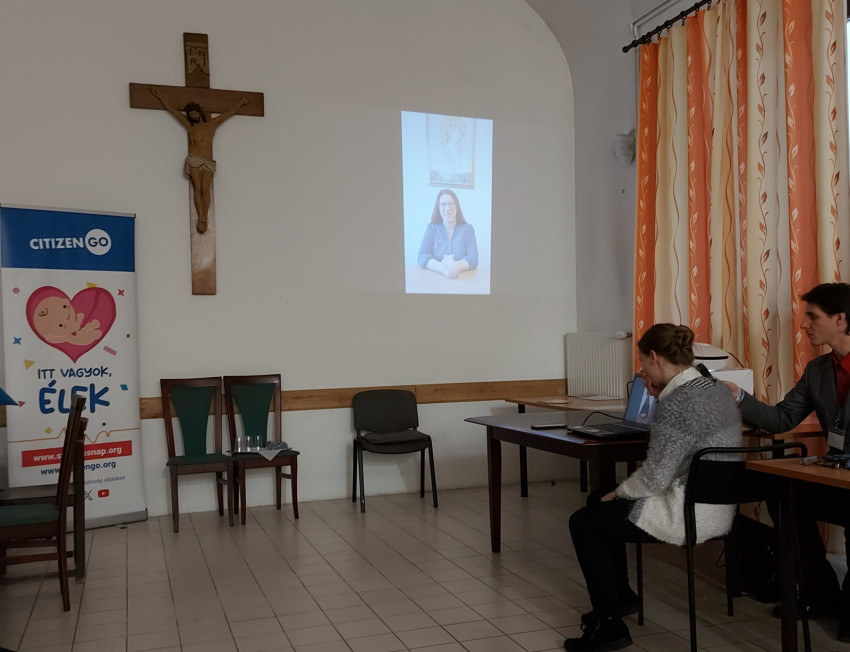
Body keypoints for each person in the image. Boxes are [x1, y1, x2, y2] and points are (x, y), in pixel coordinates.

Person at [565, 324, 741, 652]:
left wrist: (619, 494)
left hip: (687, 512)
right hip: (715, 502)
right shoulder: (710, 387)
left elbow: (656, 477)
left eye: (643, 363)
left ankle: (609, 626)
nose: (643, 371)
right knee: (599, 499)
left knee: (584, 521)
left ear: (655, 357)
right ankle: (620, 598)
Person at [724, 282, 850, 642]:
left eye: (812, 317)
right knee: (784, 497)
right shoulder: (817, 371)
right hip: (836, 477)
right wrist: (738, 397)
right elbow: (781, 419)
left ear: (840, 319)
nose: (804, 324)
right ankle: (820, 591)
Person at [150, 86, 249, 233]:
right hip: (194, 160)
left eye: (195, 112)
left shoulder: (212, 124)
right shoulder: (190, 126)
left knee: (205, 189)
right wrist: (160, 97)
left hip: (207, 161)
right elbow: (174, 112)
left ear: (199, 112)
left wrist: (240, 103)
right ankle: (201, 215)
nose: (194, 115)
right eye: (191, 114)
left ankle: (205, 217)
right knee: (197, 188)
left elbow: (228, 113)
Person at [417, 189, 478, 278]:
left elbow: (473, 259)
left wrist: (456, 266)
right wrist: (442, 268)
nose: (447, 208)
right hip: (435, 278)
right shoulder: (432, 228)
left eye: (451, 203)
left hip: (463, 280)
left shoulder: (468, 229)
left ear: (456, 206)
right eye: (443, 204)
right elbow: (422, 256)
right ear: (438, 208)